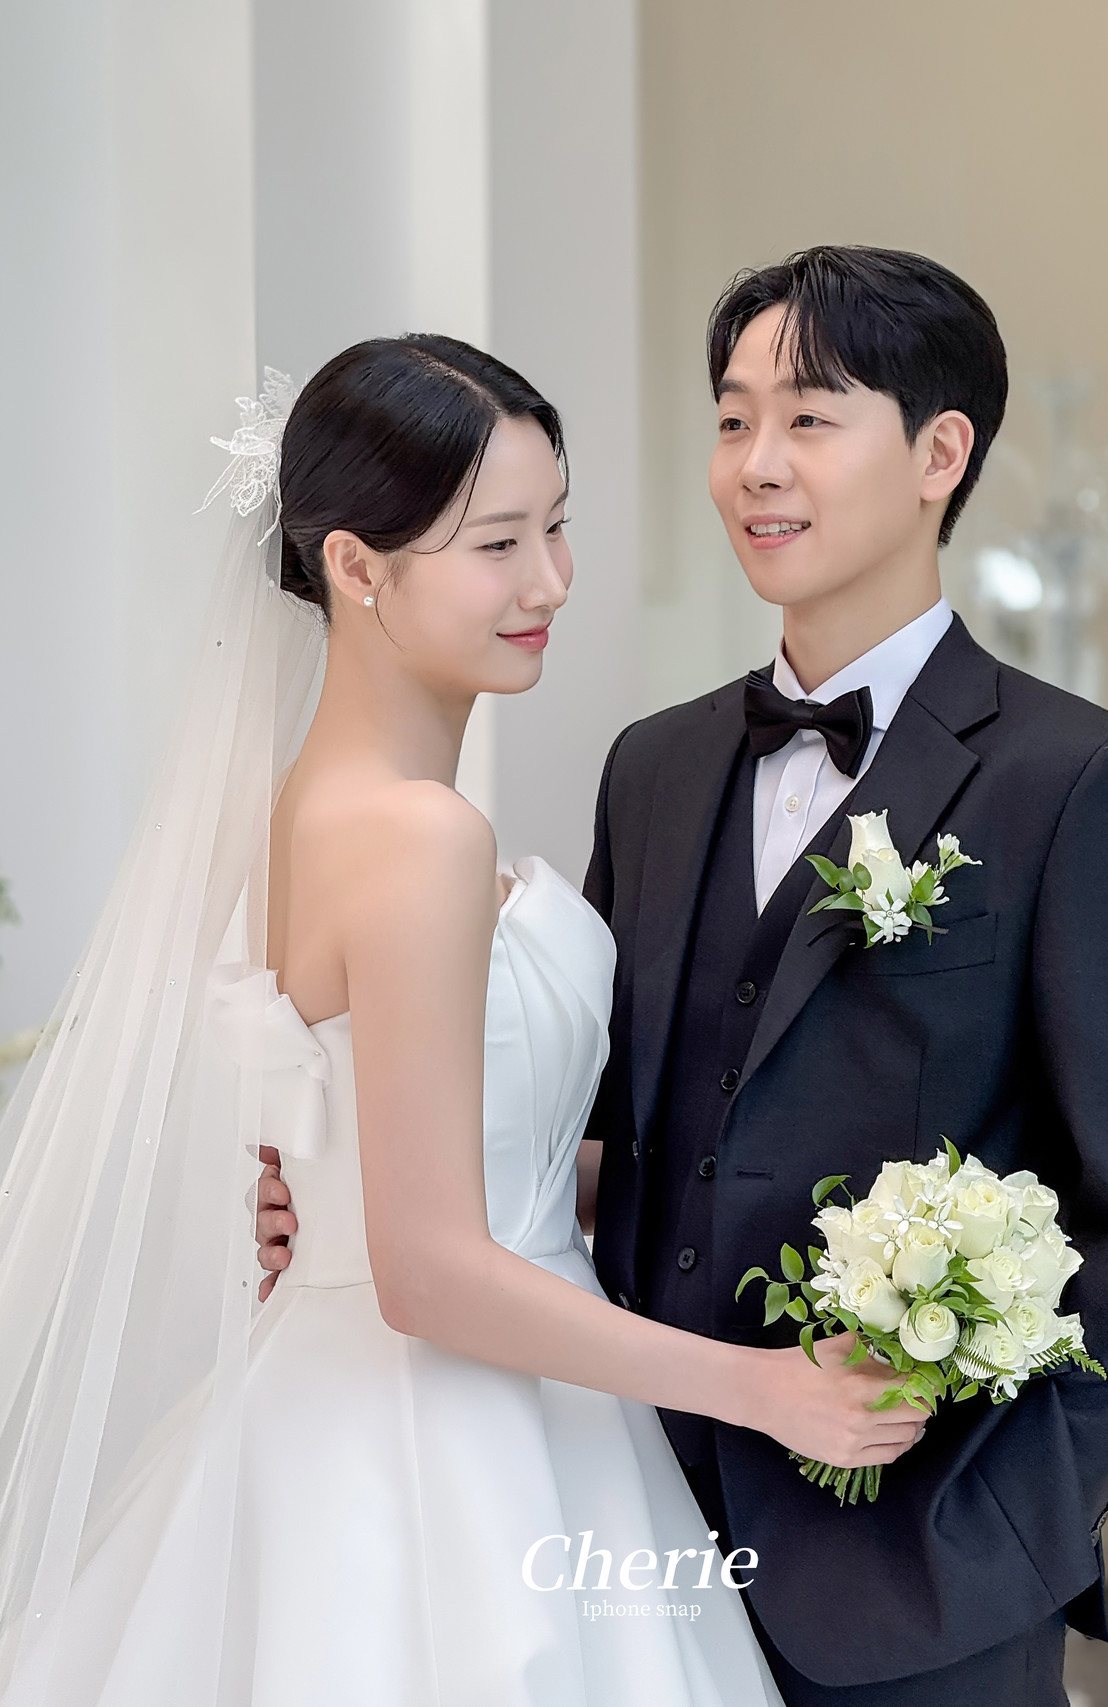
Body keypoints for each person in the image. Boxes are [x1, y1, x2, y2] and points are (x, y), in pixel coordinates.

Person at [260, 251, 1108, 1704]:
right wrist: (334, 1186)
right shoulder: (653, 769)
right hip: (617, 1522)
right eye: (731, 420)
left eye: (810, 419)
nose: (756, 466)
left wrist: (1002, 1535)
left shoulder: (1079, 782)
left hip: (920, 1575)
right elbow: (606, 1129)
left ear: (940, 455)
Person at [0, 335, 928, 1707]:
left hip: (351, 1406)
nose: (550, 581)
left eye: (557, 527)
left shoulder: (297, 813)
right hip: (449, 1441)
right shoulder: (418, 837)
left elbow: (405, 1153)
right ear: (355, 566)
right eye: (498, 545)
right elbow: (429, 1272)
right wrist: (766, 1386)